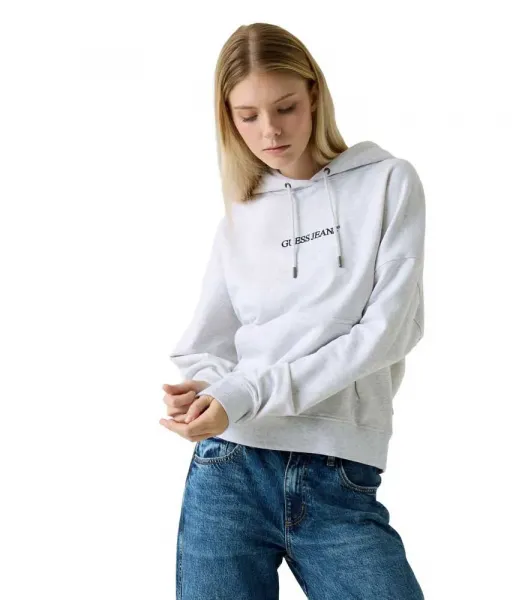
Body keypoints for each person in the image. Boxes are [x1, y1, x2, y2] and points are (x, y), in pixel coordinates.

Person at [160, 22, 426, 600]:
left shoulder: (387, 182)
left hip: (339, 473)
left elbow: (388, 332)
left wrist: (243, 392)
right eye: (247, 116)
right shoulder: (242, 215)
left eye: (285, 107)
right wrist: (207, 390)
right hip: (230, 468)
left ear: (314, 95)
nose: (270, 131)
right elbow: (206, 345)